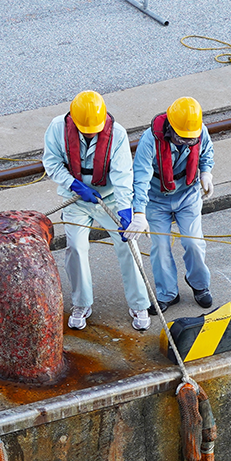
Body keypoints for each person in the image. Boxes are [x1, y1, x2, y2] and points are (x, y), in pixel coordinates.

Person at [42, 91, 151, 331]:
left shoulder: (118, 135)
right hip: (75, 198)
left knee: (128, 245)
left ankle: (139, 303)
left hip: (110, 199)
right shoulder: (57, 129)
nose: (90, 132)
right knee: (76, 248)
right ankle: (81, 303)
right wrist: (74, 185)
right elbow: (51, 163)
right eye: (85, 129)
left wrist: (125, 211)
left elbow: (123, 176)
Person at [124, 97, 216, 312]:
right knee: (161, 247)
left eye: (191, 140)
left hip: (188, 195)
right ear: (170, 128)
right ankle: (167, 293)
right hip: (156, 200)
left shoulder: (198, 130)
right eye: (182, 139)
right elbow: (140, 178)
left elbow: (206, 152)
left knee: (194, 243)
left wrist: (206, 173)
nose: (187, 143)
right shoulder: (150, 141)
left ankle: (199, 285)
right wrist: (139, 213)